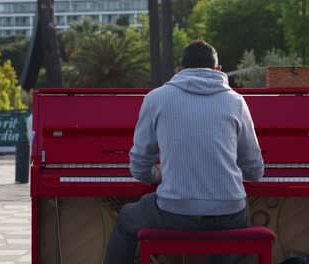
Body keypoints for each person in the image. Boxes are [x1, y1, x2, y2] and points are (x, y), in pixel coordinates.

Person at [104, 41, 264, 264]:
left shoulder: (155, 98)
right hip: (230, 214)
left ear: (179, 71)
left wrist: (157, 174)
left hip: (174, 213)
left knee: (126, 218)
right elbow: (255, 171)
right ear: (218, 70)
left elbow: (138, 167)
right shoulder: (236, 101)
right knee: (231, 220)